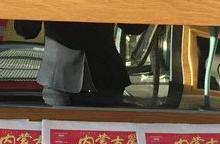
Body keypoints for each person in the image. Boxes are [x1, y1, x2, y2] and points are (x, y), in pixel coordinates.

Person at [14, 21, 148, 107]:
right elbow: (26, 30)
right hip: (59, 79)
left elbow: (135, 27)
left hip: (104, 78)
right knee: (57, 136)